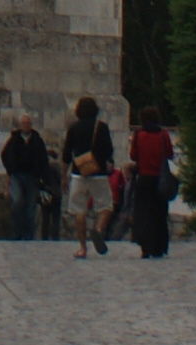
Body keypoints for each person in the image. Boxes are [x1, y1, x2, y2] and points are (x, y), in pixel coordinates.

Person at [61, 96, 116, 256]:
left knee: (79, 211)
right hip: (98, 172)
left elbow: (66, 154)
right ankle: (98, 229)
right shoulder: (102, 127)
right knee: (106, 206)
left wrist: (64, 176)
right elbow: (109, 150)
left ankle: (82, 248)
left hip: (79, 173)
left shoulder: (74, 128)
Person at [125, 104, 177, 259]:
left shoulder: (138, 135)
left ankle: (145, 246)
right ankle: (159, 246)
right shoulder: (164, 135)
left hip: (144, 178)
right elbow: (169, 154)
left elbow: (133, 156)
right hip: (160, 179)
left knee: (143, 213)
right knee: (160, 213)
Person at [0, 110, 54, 241]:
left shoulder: (37, 140)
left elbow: (43, 160)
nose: (26, 125)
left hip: (32, 176)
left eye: (28, 123)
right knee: (17, 201)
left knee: (31, 206)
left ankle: (29, 235)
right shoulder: (14, 140)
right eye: (23, 123)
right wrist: (10, 169)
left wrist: (44, 179)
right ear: (20, 125)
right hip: (17, 175)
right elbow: (5, 154)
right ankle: (17, 232)